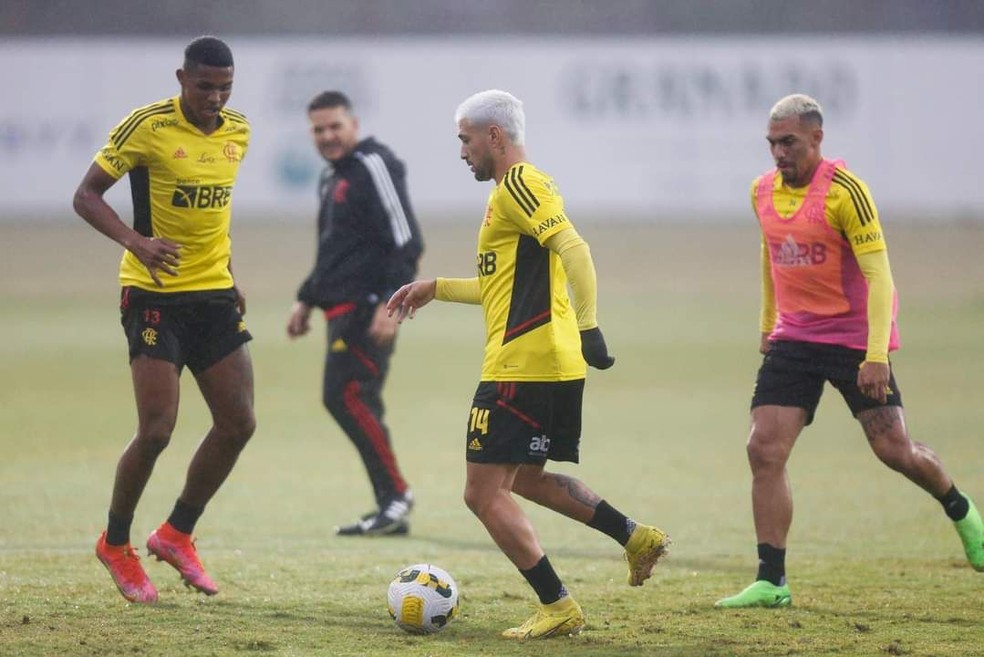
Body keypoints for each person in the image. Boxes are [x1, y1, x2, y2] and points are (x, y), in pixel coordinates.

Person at [387, 89, 670, 640]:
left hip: (523, 362)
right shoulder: (513, 192)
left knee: (482, 492)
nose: (462, 151)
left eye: (465, 140)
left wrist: (591, 325)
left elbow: (576, 249)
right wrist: (436, 288)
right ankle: (636, 537)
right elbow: (502, 284)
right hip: (550, 361)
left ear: (494, 136)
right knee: (528, 479)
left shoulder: (519, 183)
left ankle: (558, 605)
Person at [715, 94, 984, 609]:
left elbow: (879, 276)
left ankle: (959, 507)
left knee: (894, 451)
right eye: (772, 143)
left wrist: (876, 353)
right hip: (794, 340)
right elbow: (771, 256)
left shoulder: (846, 192)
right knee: (763, 449)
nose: (778, 152)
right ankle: (772, 581)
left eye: (788, 141)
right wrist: (768, 323)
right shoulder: (762, 192)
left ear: (817, 138)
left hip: (853, 341)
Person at [73, 36, 256, 604]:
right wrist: (136, 242)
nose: (216, 98)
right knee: (156, 431)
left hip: (213, 294)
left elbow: (212, 213)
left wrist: (228, 273)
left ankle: (176, 532)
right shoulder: (146, 126)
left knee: (238, 423)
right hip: (153, 293)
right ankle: (117, 542)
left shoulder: (237, 131)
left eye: (225, 87)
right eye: (205, 87)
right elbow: (86, 195)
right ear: (182, 78)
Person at [287, 91, 423, 536]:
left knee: (347, 395)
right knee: (349, 397)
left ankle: (396, 497)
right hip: (339, 310)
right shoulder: (332, 178)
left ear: (354, 124)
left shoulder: (372, 164)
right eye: (318, 129)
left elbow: (406, 240)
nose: (328, 136)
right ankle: (391, 504)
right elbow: (333, 250)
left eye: (335, 126)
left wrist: (392, 301)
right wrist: (306, 298)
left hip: (367, 309)